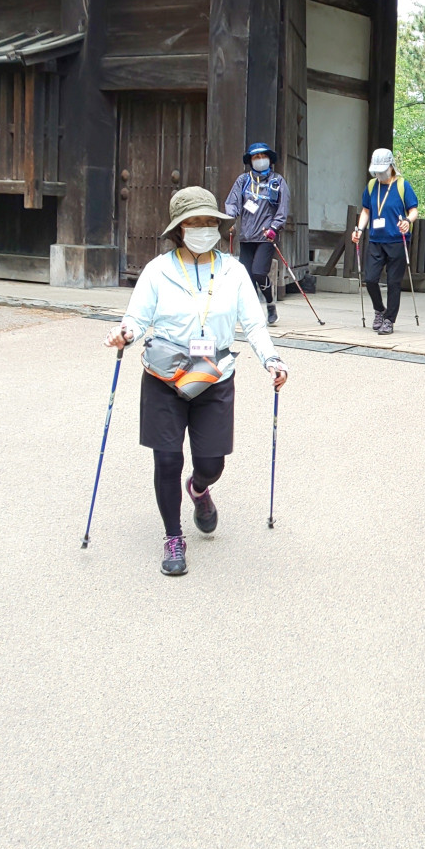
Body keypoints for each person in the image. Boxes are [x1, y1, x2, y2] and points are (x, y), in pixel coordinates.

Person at [107, 187, 289, 577]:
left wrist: (271, 360)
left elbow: (254, 323)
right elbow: (136, 318)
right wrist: (125, 333)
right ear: (179, 229)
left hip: (215, 372)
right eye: (195, 222)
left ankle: (200, 489)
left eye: (211, 222)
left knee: (211, 463)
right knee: (167, 458)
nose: (204, 229)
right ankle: (173, 536)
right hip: (165, 374)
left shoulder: (233, 271)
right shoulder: (159, 269)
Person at [223, 141, 290, 327]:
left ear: (269, 159)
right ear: (250, 161)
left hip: (266, 236)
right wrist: (230, 219)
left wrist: (274, 228)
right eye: (256, 157)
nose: (260, 160)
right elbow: (232, 202)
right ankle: (249, 312)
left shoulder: (277, 181)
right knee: (245, 276)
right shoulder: (243, 181)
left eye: (263, 156)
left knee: (259, 273)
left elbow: (282, 209)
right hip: (247, 236)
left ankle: (270, 303)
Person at [352, 147, 418, 335]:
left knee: (393, 283)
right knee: (370, 279)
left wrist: (407, 221)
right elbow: (366, 210)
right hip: (375, 239)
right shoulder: (372, 186)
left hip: (397, 240)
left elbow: (413, 210)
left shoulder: (402, 185)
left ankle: (389, 320)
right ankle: (379, 310)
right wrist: (359, 229)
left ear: (391, 166)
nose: (379, 174)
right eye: (376, 170)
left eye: (382, 170)